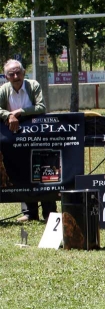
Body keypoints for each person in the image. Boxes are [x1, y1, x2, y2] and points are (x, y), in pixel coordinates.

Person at [0, 59, 53, 222]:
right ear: (6, 76)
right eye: (11, 74)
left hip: (38, 138)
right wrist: (8, 115)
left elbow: (41, 107)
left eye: (18, 72)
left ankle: (49, 212)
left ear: (23, 73)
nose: (16, 76)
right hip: (16, 139)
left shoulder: (33, 85)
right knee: (23, 172)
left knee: (44, 172)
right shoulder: (3, 90)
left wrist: (20, 112)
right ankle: (29, 213)